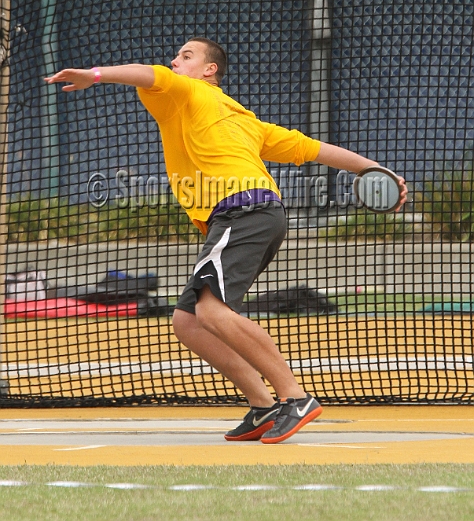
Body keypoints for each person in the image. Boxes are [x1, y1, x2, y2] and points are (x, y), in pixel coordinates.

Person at [45, 38, 408, 444]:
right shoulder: (243, 119)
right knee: (188, 321)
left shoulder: (190, 90)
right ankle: (263, 405)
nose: (173, 61)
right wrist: (375, 169)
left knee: (213, 312)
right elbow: (316, 150)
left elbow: (147, 74)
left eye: (186, 56)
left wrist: (93, 76)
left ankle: (294, 397)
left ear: (208, 70)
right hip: (252, 216)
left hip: (244, 211)